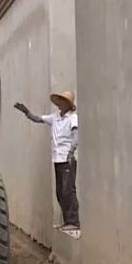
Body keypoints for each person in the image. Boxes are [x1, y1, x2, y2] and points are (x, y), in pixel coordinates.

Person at [14, 91, 79, 230]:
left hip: (67, 158)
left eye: (63, 101)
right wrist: (26, 112)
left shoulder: (73, 118)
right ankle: (67, 221)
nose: (60, 104)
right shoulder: (55, 117)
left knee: (68, 190)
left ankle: (73, 221)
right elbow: (38, 119)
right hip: (57, 158)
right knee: (60, 191)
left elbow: (76, 137)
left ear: (68, 104)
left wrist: (71, 152)